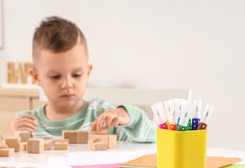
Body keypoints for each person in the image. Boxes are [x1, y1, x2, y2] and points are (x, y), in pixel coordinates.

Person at [11, 16, 155, 142]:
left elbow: (154, 137)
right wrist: (17, 135)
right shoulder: (28, 123)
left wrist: (127, 115)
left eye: (76, 75)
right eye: (55, 77)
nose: (67, 85)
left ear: (88, 72)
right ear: (36, 77)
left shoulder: (101, 114)